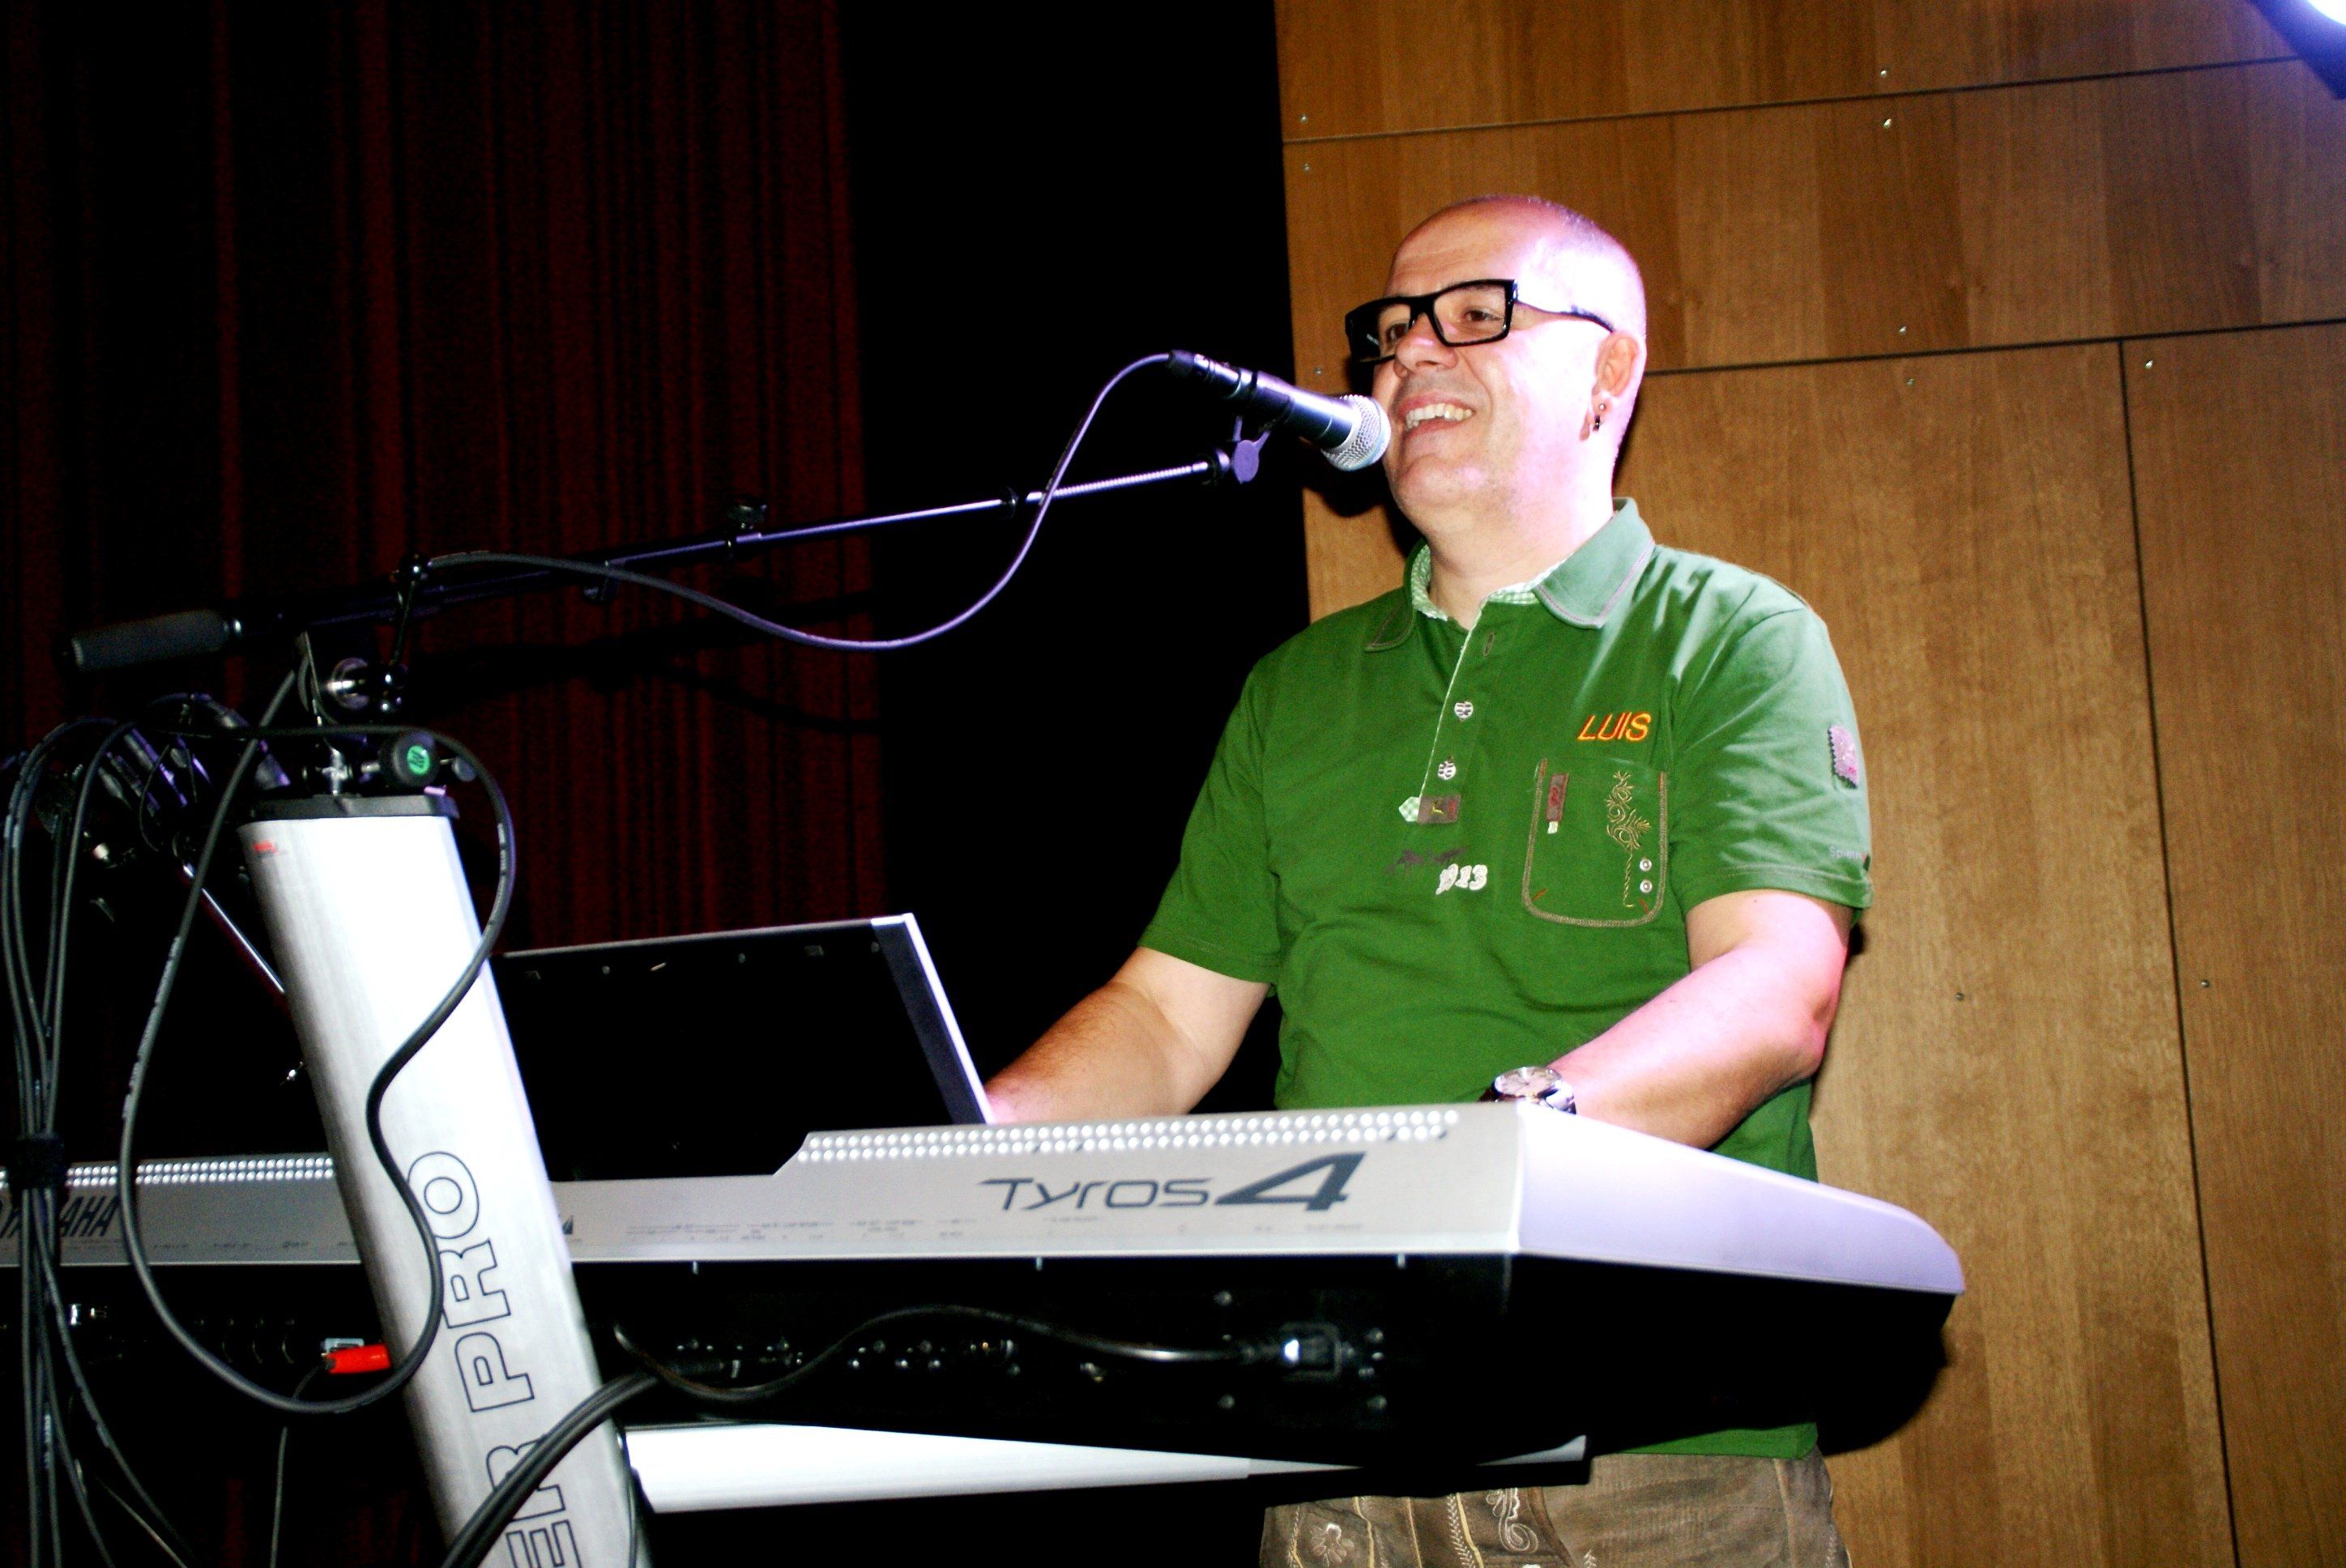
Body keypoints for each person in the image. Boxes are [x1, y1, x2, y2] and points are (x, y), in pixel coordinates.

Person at [985, 194, 1871, 1567]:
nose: (1410, 356)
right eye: (1391, 330)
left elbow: (1773, 990)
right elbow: (1162, 1022)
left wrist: (1503, 1148)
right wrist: (961, 1143)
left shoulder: (1731, 637)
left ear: (1610, 370)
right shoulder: (1296, 689)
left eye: (1475, 316)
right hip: (1333, 1450)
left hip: (1646, 1450)